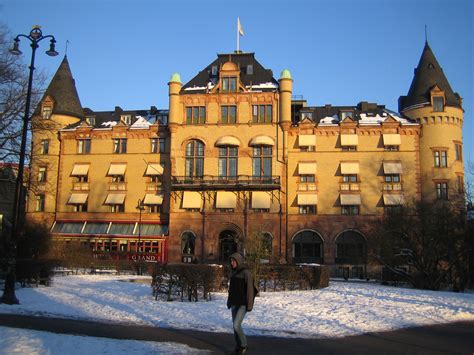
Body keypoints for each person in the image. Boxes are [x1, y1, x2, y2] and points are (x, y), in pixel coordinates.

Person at [227, 252, 257, 355]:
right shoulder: (233, 272)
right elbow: (231, 289)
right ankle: (238, 345)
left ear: (238, 261)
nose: (231, 263)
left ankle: (243, 344)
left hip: (243, 304)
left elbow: (250, 290)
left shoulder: (246, 273)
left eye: (233, 261)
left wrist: (249, 304)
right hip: (234, 302)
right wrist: (229, 301)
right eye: (231, 261)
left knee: (236, 325)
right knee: (235, 326)